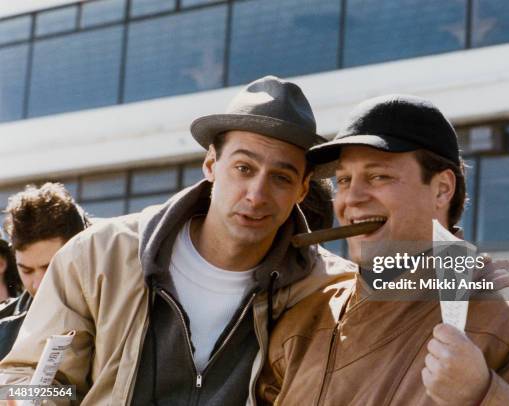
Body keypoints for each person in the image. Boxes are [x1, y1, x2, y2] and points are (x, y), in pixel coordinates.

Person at [0, 76, 354, 405]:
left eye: (280, 177)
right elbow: (28, 374)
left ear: (302, 188)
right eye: (243, 168)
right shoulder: (98, 254)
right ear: (211, 165)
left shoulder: (329, 290)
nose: (257, 194)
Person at [257, 95, 509, 405]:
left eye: (378, 176)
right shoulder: (303, 321)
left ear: (441, 189)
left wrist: (482, 395)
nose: (352, 199)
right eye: (344, 180)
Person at [0, 183, 89, 360]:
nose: (38, 284)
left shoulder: (118, 307)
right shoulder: (5, 328)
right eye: (26, 270)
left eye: (50, 268)